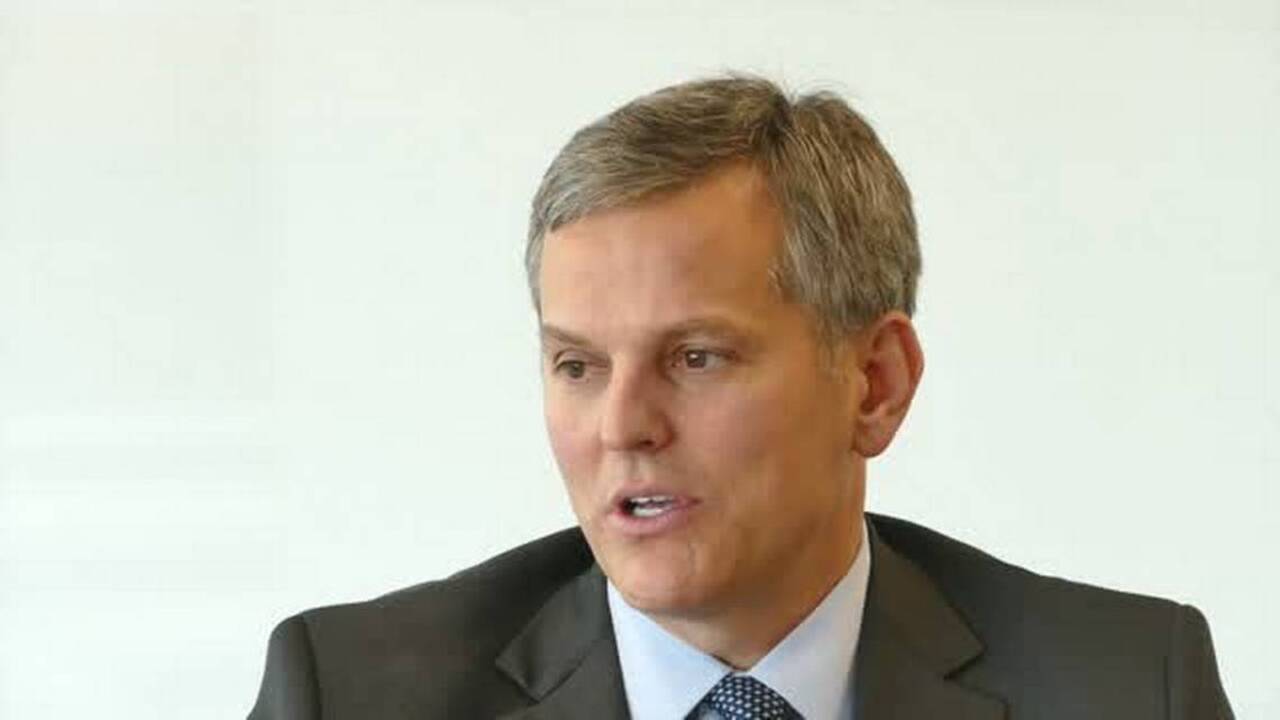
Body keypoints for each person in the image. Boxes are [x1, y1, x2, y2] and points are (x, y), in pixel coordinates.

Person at [248, 75, 1233, 719]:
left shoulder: (1125, 688)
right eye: (578, 366)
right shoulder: (351, 696)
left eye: (695, 358)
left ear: (875, 385)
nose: (623, 427)